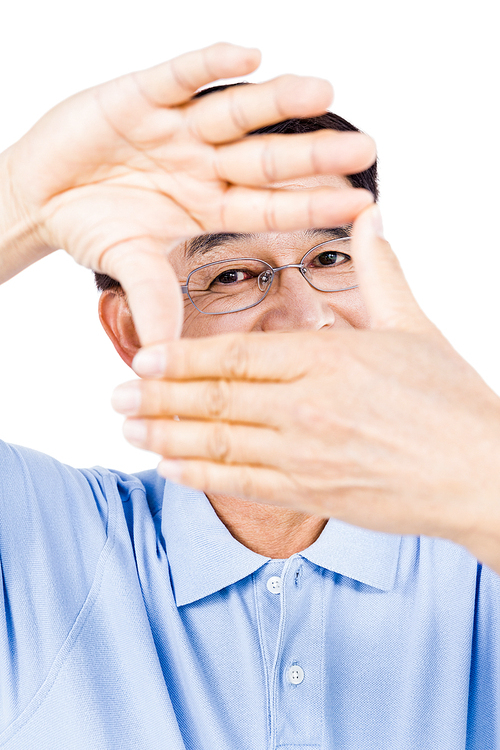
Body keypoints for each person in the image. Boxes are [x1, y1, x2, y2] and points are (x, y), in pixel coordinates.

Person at [1, 42, 499, 749]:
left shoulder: (480, 552)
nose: (304, 317)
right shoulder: (41, 546)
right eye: (233, 274)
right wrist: (19, 202)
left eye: (330, 259)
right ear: (134, 329)